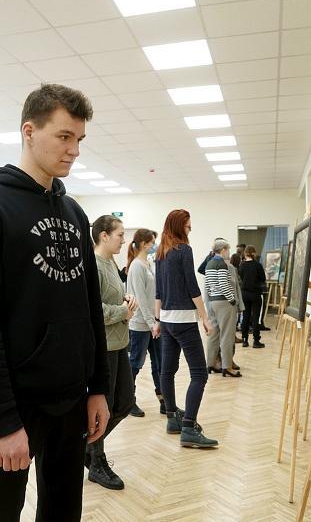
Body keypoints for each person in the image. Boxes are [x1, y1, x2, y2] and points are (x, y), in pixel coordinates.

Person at [0, 83, 110, 521]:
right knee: (0, 514)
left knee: (64, 511)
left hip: (72, 399)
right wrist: (3, 420)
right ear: (29, 131)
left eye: (79, 139)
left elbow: (90, 308)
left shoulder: (75, 213)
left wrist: (98, 387)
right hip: (17, 403)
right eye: (64, 136)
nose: (74, 150)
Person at [153, 209, 218, 448]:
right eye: (188, 226)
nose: (190, 230)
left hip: (167, 321)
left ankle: (172, 418)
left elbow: (158, 291)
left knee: (167, 371)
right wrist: (205, 318)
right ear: (179, 226)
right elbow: (192, 287)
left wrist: (157, 320)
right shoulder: (183, 250)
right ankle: (189, 427)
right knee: (199, 374)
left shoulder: (160, 253)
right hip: (183, 321)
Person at [88, 215, 136, 490]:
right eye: (120, 235)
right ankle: (97, 462)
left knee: (125, 403)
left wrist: (126, 300)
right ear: (104, 236)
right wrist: (123, 311)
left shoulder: (111, 263)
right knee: (103, 409)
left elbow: (113, 297)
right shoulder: (94, 265)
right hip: (104, 347)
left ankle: (88, 448)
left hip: (119, 343)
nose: (123, 240)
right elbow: (94, 310)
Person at [125, 229, 164, 416]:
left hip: (152, 324)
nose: (154, 245)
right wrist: (151, 323)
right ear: (143, 244)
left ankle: (164, 400)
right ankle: (128, 401)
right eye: (152, 242)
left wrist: (156, 320)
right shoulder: (136, 266)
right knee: (135, 363)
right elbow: (140, 298)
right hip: (141, 325)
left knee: (159, 364)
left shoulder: (148, 263)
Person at [204, 240, 242, 378]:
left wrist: (211, 300)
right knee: (227, 335)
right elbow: (223, 284)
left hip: (213, 302)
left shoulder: (209, 264)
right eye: (228, 250)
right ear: (223, 250)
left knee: (214, 334)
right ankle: (227, 366)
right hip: (225, 303)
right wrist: (232, 300)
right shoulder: (221, 264)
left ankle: (210, 364)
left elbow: (208, 286)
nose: (229, 253)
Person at [238, 245, 267, 349]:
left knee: (245, 317)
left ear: (245, 253)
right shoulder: (257, 265)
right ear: (254, 253)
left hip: (245, 294)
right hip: (255, 294)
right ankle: (256, 341)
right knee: (256, 318)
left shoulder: (242, 265)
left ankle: (244, 340)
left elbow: (241, 277)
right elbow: (263, 278)